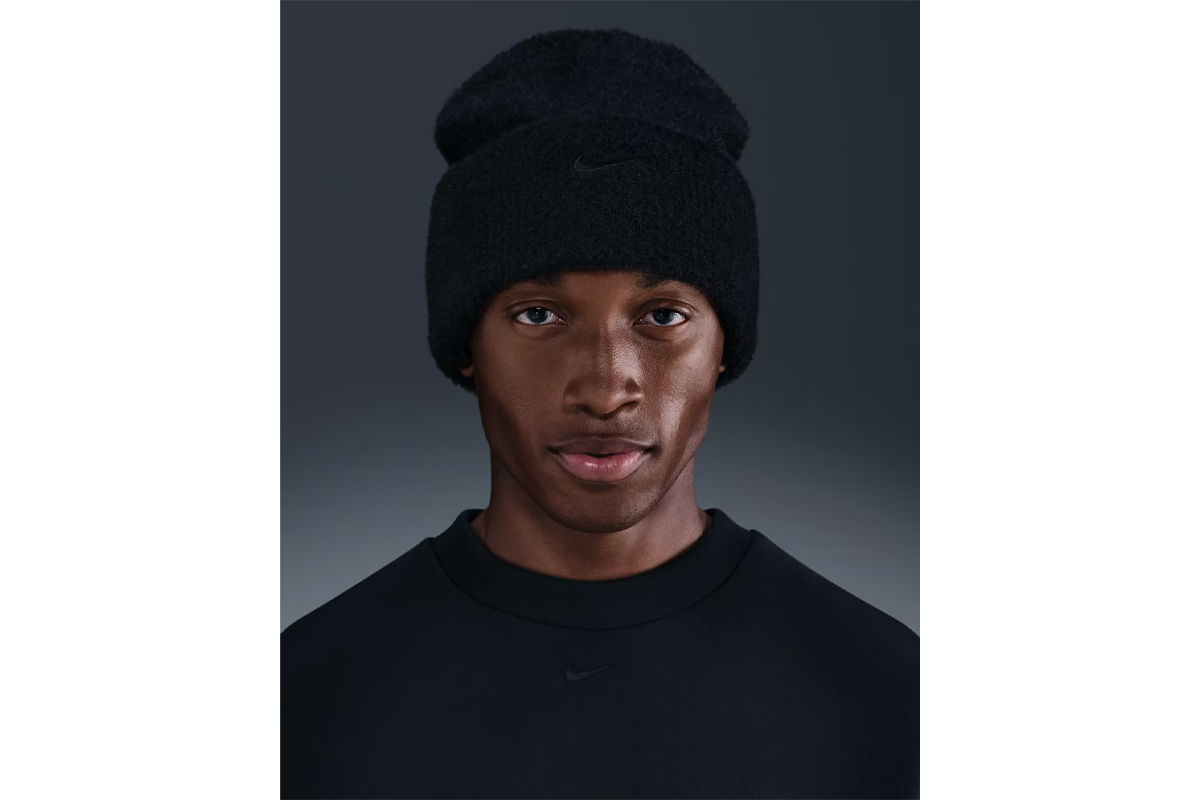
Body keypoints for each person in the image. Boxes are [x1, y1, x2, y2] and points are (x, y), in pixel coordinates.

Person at [281, 27, 918, 799]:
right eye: (539, 316)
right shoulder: (304, 697)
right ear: (465, 345)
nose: (607, 388)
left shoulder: (889, 697)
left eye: (662, 317)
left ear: (725, 345)